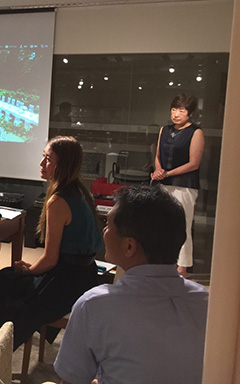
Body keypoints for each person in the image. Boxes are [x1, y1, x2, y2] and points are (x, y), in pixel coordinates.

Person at [54, 185, 209, 384]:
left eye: (109, 225)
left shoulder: (94, 305)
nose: (104, 231)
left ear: (129, 246)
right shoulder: (205, 302)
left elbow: (72, 380)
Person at [0, 136, 103, 350]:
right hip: (87, 276)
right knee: (10, 281)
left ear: (63, 165)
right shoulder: (82, 193)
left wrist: (29, 271)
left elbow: (50, 259)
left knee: (3, 281)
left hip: (66, 282)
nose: (41, 163)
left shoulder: (58, 201)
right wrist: (32, 271)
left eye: (48, 159)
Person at [151, 93, 204, 277]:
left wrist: (167, 173)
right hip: (163, 184)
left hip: (184, 185)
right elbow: (158, 155)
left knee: (183, 225)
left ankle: (182, 268)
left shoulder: (195, 132)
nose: (176, 114)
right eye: (174, 109)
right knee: (162, 224)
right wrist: (159, 171)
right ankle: (165, 263)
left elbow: (194, 163)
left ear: (190, 113)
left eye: (181, 110)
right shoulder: (164, 130)